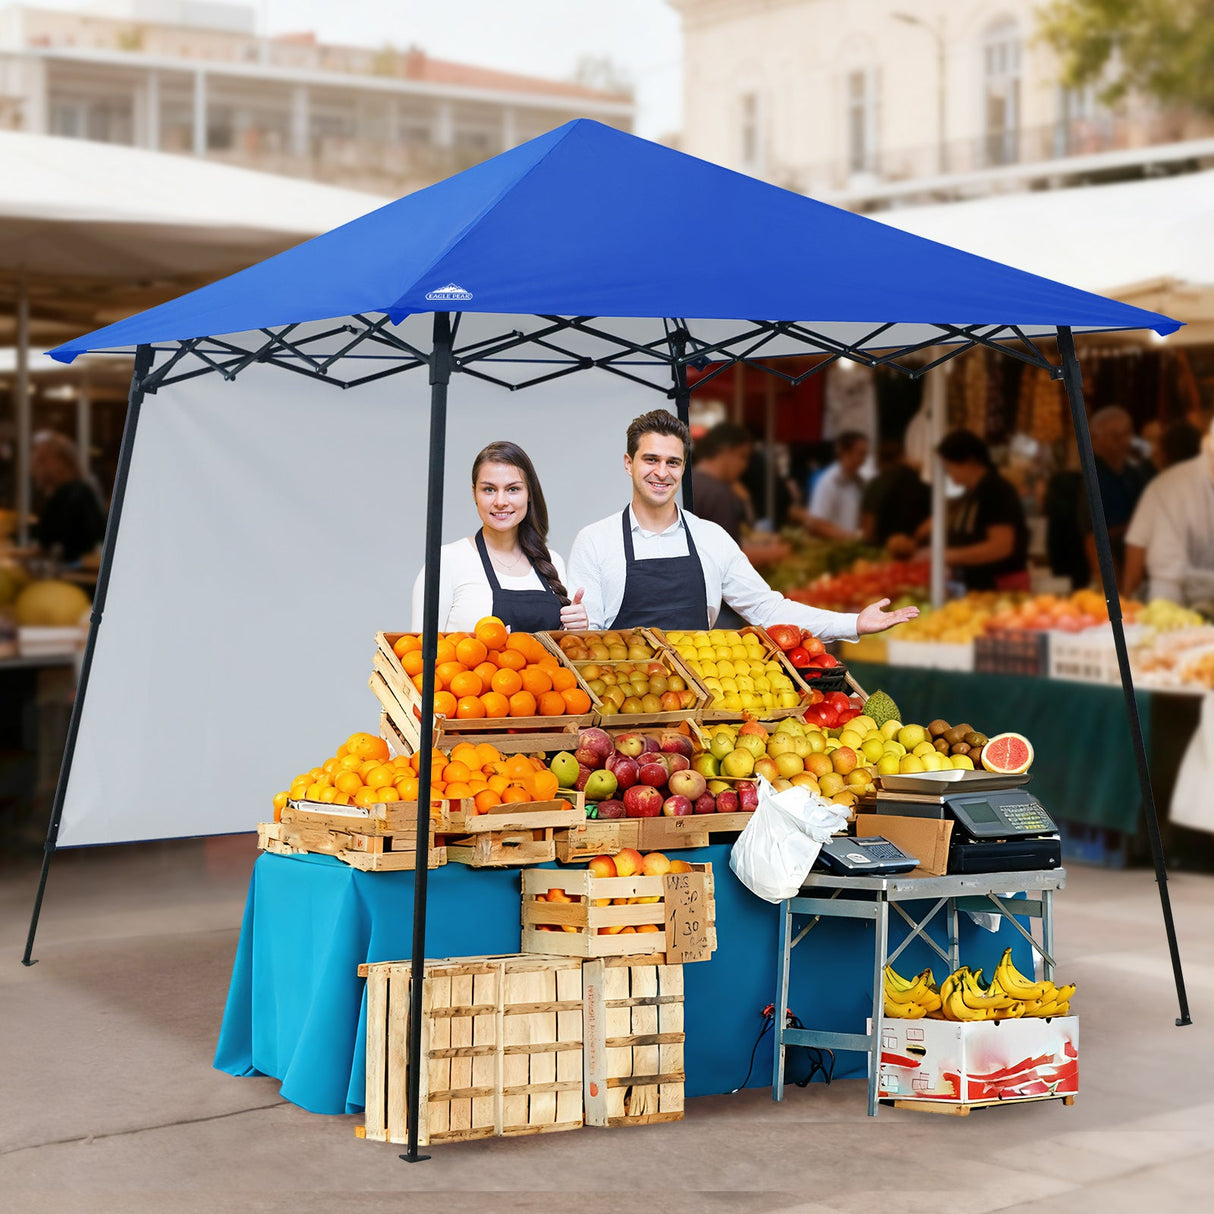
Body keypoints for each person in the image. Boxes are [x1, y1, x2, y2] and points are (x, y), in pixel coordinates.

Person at [566, 409, 918, 638]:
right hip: (621, 706)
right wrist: (578, 626)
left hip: (700, 702)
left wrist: (853, 623)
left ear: (684, 468)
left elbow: (767, 609)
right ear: (628, 463)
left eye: (673, 462)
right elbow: (586, 635)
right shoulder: (595, 541)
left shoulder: (710, 538)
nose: (662, 472)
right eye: (651, 460)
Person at [411, 441, 589, 633]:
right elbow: (420, 648)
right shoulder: (445, 562)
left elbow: (561, 647)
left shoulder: (552, 561)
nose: (500, 502)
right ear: (474, 494)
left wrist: (577, 631)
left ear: (529, 493)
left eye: (513, 489)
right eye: (489, 489)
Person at [1123, 421, 1214, 605]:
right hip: (1171, 601)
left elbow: (1136, 554)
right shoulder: (1161, 486)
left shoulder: (1160, 486)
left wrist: (1126, 600)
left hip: (1168, 601)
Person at [934, 429, 1029, 592]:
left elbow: (1001, 546)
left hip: (1001, 587)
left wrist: (948, 556)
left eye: (949, 465)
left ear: (969, 461)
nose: (948, 473)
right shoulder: (973, 493)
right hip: (980, 586)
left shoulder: (995, 490)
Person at [1078, 406, 1152, 583]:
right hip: (1113, 570)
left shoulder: (1136, 474)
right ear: (1096, 440)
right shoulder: (1092, 478)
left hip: (1141, 567)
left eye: (1126, 434)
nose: (1123, 442)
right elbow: (1092, 537)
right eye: (1115, 437)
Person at [30, 431, 106, 564]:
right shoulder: (79, 491)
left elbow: (46, 548)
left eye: (43, 460)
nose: (35, 466)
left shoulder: (71, 495)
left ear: (63, 462)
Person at [859, 438, 930, 549]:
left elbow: (868, 523)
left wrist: (869, 545)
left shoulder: (876, 484)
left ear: (879, 460)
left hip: (884, 547)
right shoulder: (918, 481)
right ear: (904, 456)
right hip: (917, 548)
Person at [691, 422, 753, 541]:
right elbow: (728, 548)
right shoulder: (719, 493)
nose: (745, 465)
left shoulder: (685, 482)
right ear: (726, 450)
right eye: (742, 456)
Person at [806, 430, 869, 541]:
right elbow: (816, 524)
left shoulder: (861, 482)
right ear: (845, 453)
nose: (864, 460)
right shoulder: (828, 482)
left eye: (865, 455)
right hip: (832, 545)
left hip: (853, 544)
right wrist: (846, 537)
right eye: (860, 454)